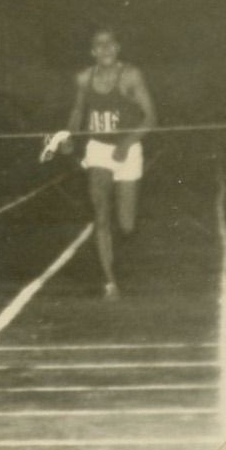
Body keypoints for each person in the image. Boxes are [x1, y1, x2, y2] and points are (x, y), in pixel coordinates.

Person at [61, 26, 156, 300]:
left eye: (110, 44)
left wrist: (126, 143)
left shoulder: (131, 76)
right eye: (99, 45)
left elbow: (151, 118)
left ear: (118, 48)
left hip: (128, 150)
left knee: (126, 224)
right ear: (92, 51)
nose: (105, 49)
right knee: (101, 213)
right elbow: (78, 110)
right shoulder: (83, 78)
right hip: (98, 150)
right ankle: (109, 282)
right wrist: (69, 135)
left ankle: (118, 255)